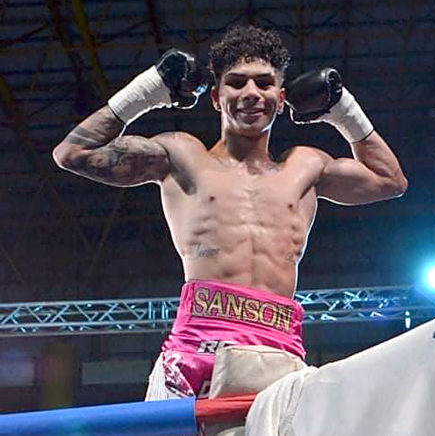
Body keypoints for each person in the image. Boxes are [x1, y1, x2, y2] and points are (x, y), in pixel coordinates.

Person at [52, 26, 408, 400]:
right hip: (195, 350)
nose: (251, 93)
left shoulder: (305, 167)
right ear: (216, 98)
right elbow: (72, 154)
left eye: (264, 83)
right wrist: (149, 90)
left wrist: (342, 109)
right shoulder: (182, 156)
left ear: (281, 98)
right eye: (236, 83)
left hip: (278, 351)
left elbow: (390, 180)